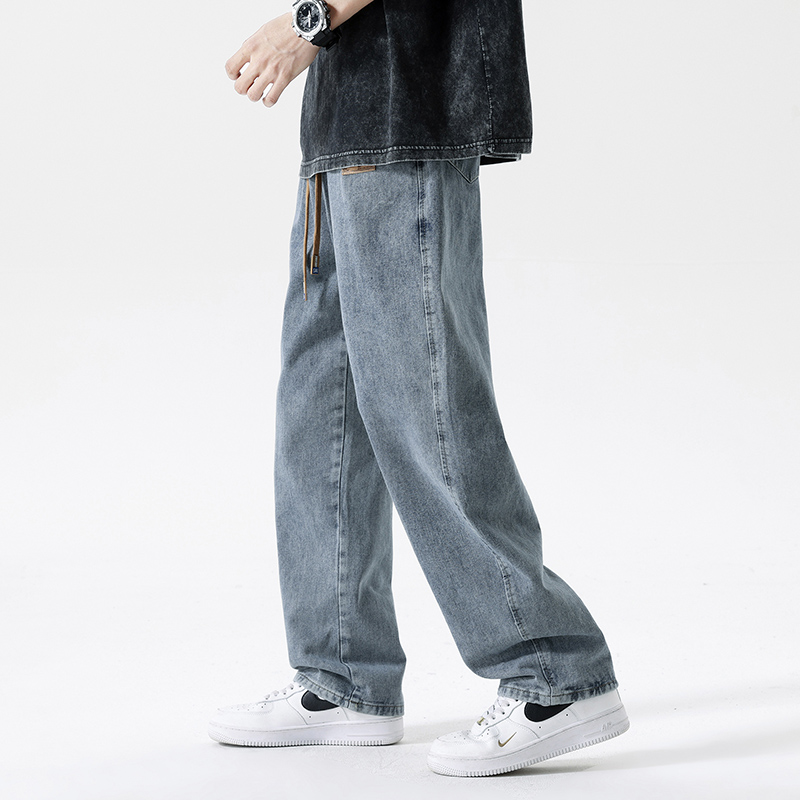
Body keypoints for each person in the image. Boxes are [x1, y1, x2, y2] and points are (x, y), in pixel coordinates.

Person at [209, 0, 629, 777]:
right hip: (346, 117)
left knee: (423, 404)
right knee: (320, 408)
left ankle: (555, 671)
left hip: (407, 104)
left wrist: (307, 22)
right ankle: (344, 675)